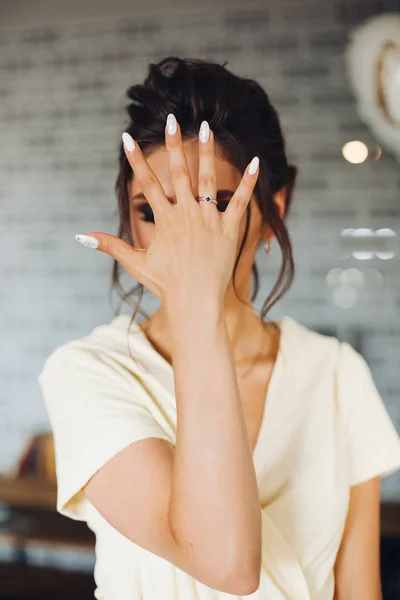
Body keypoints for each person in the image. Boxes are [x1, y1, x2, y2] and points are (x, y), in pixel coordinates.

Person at [38, 56, 400, 600]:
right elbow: (227, 563)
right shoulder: (88, 372)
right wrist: (198, 310)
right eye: (155, 210)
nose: (185, 240)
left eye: (218, 205)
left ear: (275, 210)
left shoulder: (335, 374)